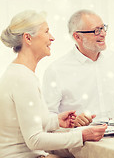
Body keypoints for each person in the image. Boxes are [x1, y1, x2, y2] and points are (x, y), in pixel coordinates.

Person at [0, 10, 107, 158]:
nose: (52, 38)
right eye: (46, 32)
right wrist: (81, 135)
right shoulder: (22, 79)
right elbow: (34, 140)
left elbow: (26, 123)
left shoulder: (19, 73)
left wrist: (56, 121)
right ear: (28, 39)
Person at [42, 9, 114, 127]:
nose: (103, 34)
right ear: (77, 37)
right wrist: (72, 122)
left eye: (103, 28)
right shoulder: (56, 70)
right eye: (96, 30)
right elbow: (47, 116)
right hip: (81, 142)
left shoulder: (113, 59)